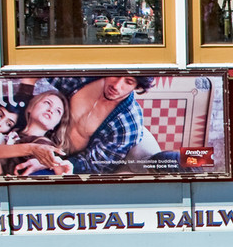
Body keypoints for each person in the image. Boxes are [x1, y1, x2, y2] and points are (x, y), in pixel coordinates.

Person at [19, 75, 153, 175]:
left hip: (68, 167)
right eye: (115, 74)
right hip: (35, 139)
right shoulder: (84, 77)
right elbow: (40, 72)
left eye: (128, 82)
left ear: (137, 86)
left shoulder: (127, 123)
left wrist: (49, 163)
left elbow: (96, 165)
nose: (116, 85)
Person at [0, 88, 73, 176]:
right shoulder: (13, 133)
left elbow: (0, 180)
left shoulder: (42, 145)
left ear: (55, 125)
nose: (51, 110)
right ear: (30, 107)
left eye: (58, 111)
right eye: (47, 103)